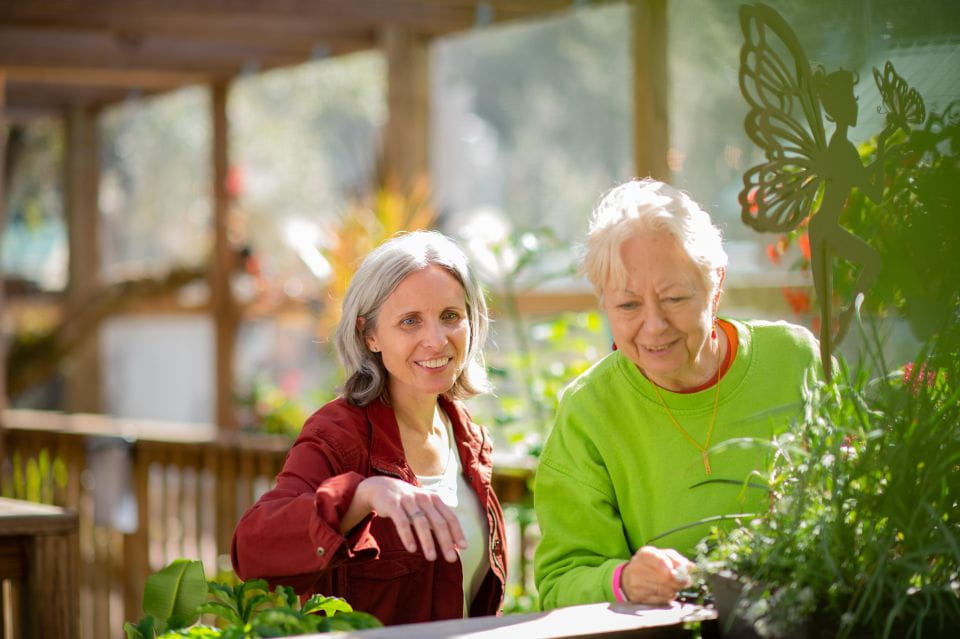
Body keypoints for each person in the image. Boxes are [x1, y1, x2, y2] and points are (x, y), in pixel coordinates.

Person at [534, 179, 820, 609]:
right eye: (628, 306)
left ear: (715, 286)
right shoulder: (589, 410)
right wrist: (624, 581)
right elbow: (560, 583)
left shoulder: (792, 359)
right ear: (603, 301)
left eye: (674, 298)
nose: (654, 326)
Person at [232, 231, 506, 625]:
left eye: (450, 316)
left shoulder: (469, 439)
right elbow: (251, 548)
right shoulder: (339, 433)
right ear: (369, 334)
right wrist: (360, 495)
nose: (436, 339)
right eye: (410, 321)